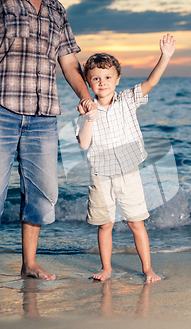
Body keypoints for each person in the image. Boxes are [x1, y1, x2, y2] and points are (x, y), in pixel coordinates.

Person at [0, 0, 96, 291]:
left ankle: (30, 264)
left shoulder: (55, 8)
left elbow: (69, 61)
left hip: (44, 114)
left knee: (43, 191)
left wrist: (84, 95)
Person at [75, 34, 176, 283]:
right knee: (105, 225)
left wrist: (165, 57)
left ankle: (147, 269)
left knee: (136, 224)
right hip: (101, 175)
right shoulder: (86, 110)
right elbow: (84, 143)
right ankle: (107, 268)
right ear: (88, 82)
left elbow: (151, 81)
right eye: (96, 78)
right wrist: (90, 117)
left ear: (117, 79)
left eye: (108, 77)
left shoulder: (127, 100)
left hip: (129, 173)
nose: (102, 82)